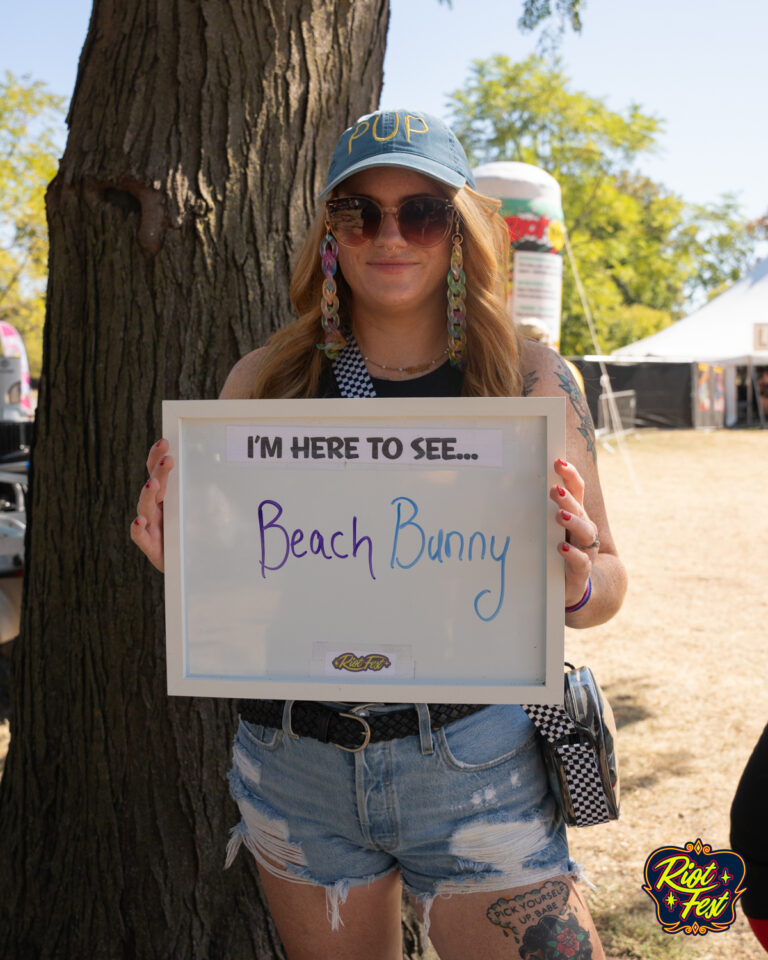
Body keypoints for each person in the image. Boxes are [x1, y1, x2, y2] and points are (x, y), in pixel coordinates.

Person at [132, 109, 627, 960]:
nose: (390, 235)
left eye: (423, 212)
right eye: (359, 212)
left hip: (478, 757)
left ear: (461, 230)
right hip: (296, 760)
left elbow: (606, 588)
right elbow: (244, 597)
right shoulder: (267, 381)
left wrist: (577, 573)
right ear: (330, 233)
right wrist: (188, 570)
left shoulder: (532, 379)